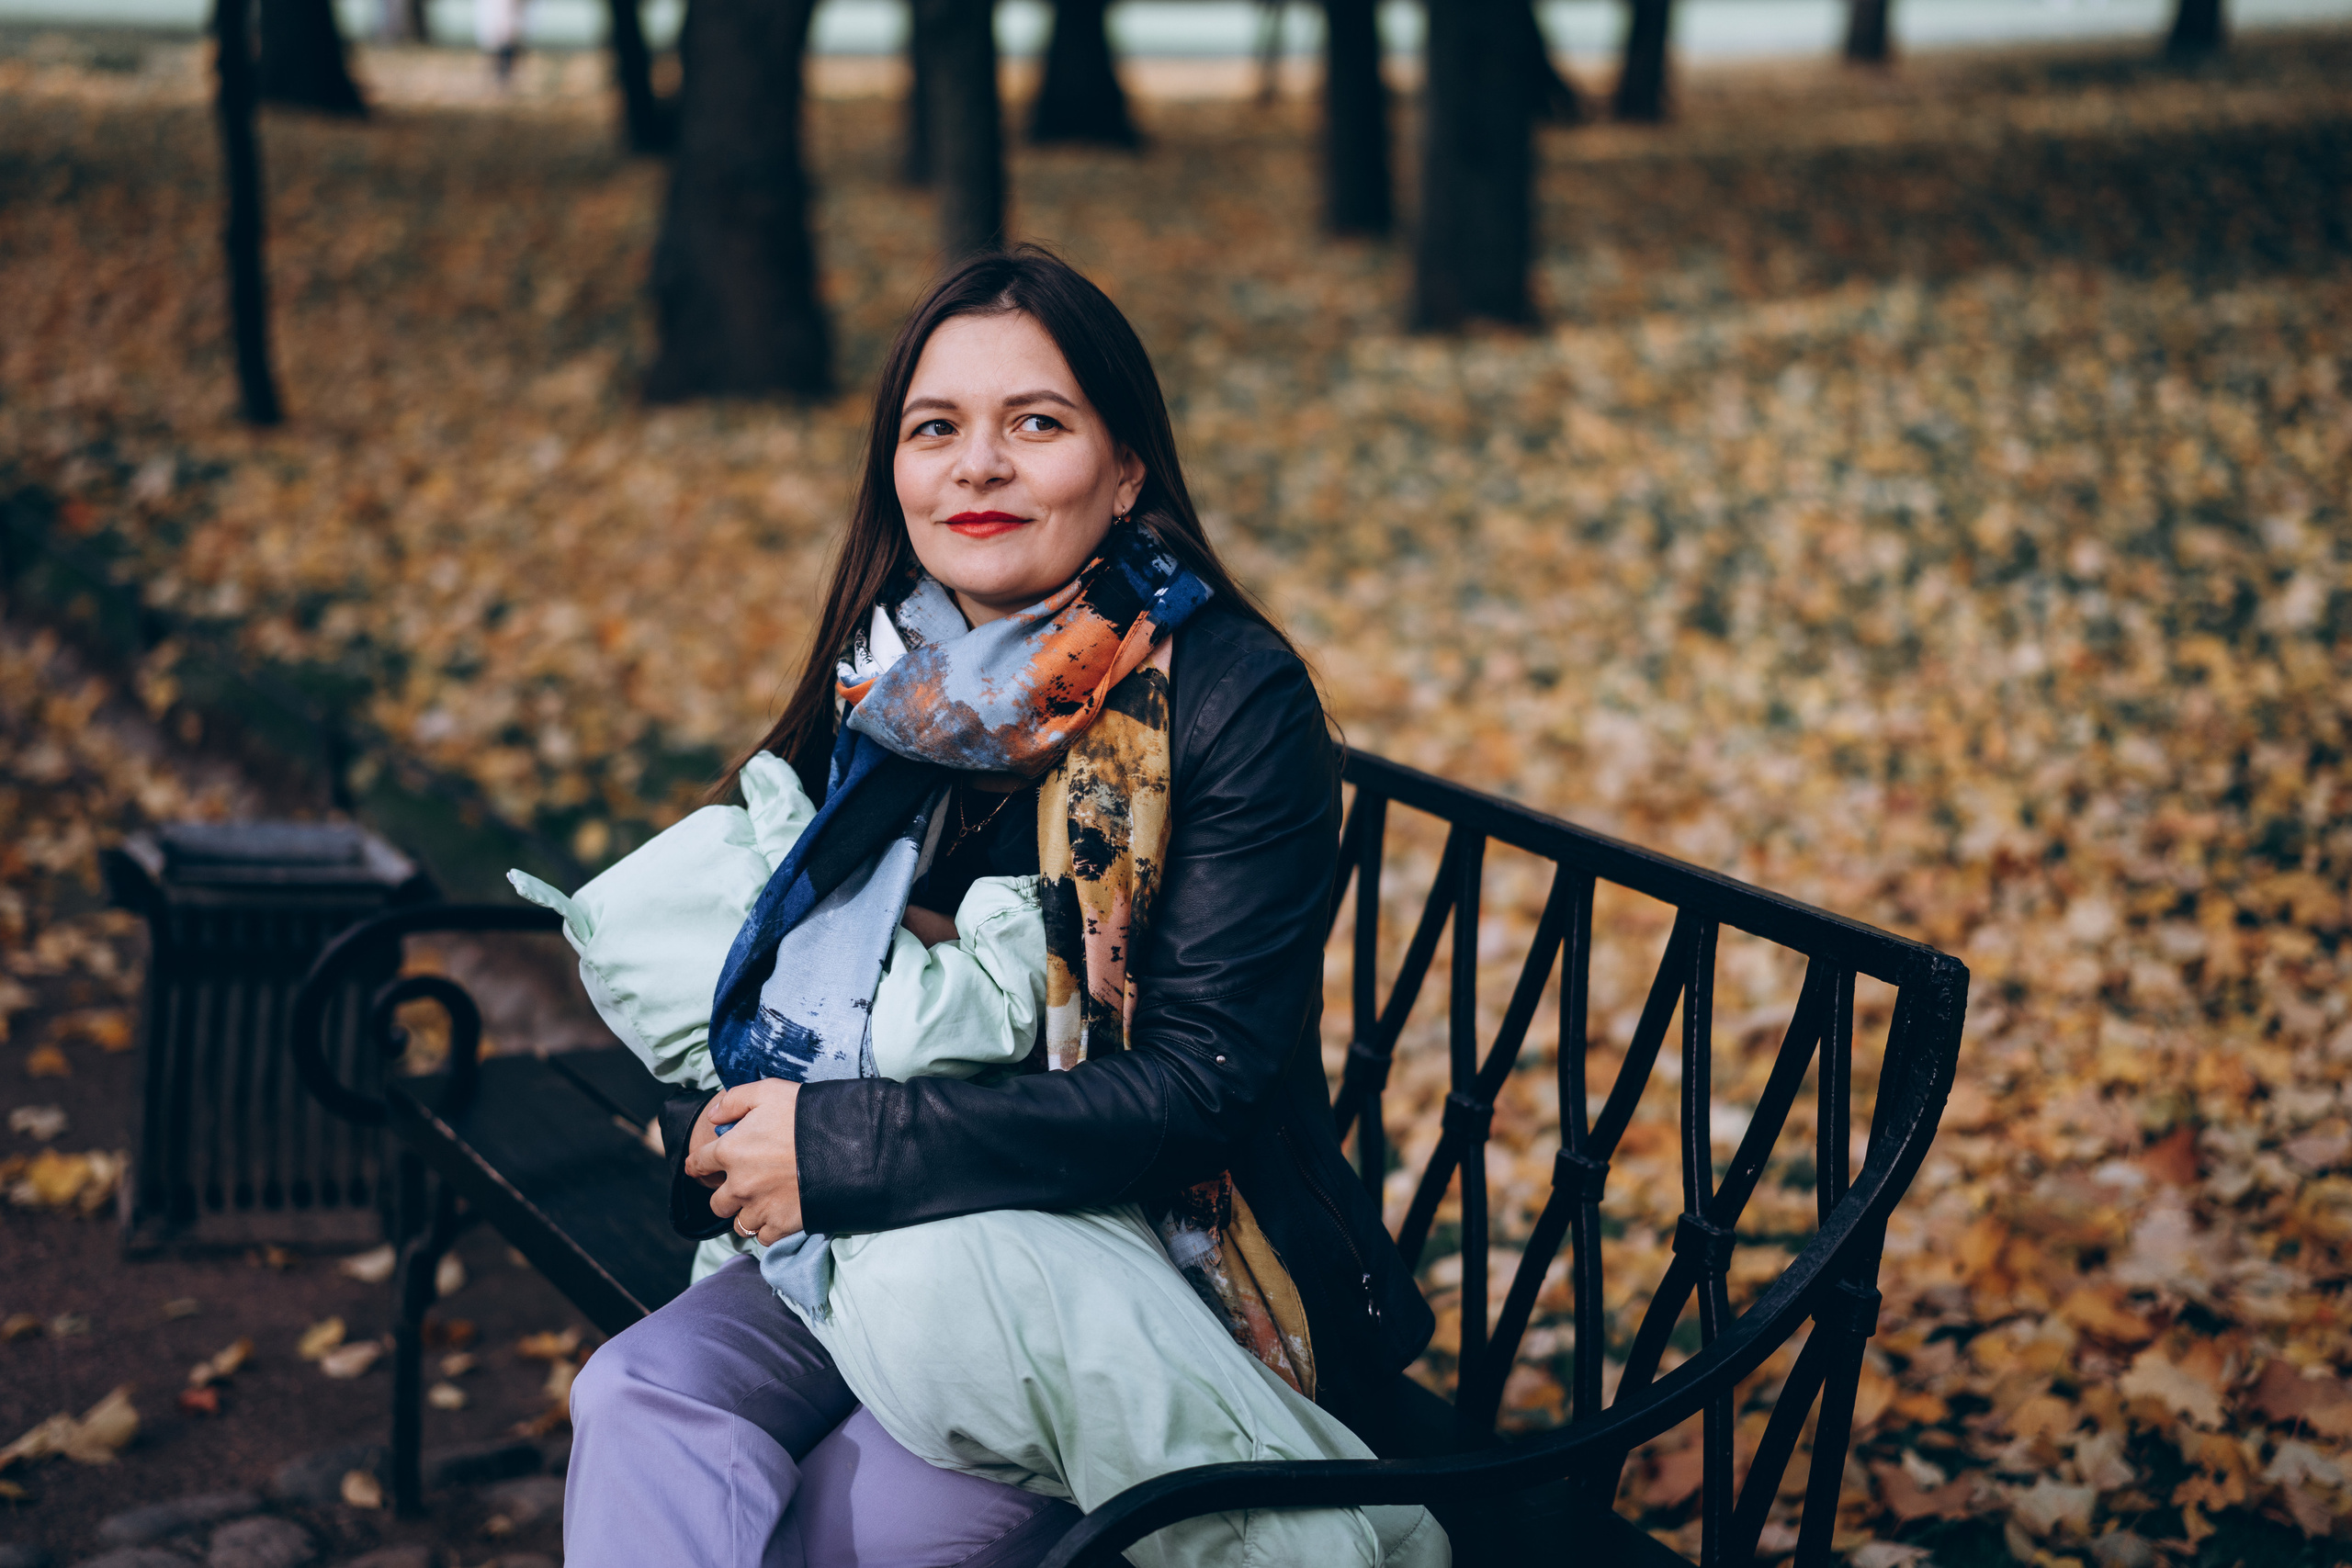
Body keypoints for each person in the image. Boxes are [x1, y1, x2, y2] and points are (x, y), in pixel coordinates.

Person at [556, 247, 1442, 1567]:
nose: (978, 466)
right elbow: (765, 976)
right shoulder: (890, 685)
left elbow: (1198, 1085)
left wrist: (838, 1146)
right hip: (868, 1241)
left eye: (1036, 423)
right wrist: (736, 1132)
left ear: (1127, 468)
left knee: (853, 1529)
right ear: (896, 471)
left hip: (1128, 1274)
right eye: (936, 429)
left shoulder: (1228, 699)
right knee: (634, 1399)